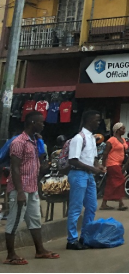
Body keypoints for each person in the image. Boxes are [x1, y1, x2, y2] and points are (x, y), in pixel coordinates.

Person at [4, 112, 59, 265]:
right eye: (41, 122)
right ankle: (10, 255)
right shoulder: (19, 142)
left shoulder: (35, 141)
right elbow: (15, 168)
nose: (43, 125)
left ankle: (40, 250)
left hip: (32, 188)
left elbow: (35, 166)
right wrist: (20, 192)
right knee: (14, 222)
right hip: (20, 189)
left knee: (35, 220)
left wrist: (43, 167)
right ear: (32, 122)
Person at [67, 110, 106, 250]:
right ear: (89, 120)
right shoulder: (79, 138)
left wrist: (98, 166)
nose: (99, 122)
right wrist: (92, 169)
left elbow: (93, 158)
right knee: (76, 208)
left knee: (91, 206)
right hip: (78, 174)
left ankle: (85, 236)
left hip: (88, 175)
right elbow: (73, 160)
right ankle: (71, 240)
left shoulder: (91, 138)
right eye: (97, 120)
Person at [99, 123, 127, 211]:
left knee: (111, 183)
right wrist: (104, 166)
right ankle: (120, 202)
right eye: (122, 129)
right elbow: (105, 153)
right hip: (112, 164)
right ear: (117, 130)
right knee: (120, 180)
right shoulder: (111, 140)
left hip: (119, 163)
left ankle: (104, 203)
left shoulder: (123, 139)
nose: (124, 130)